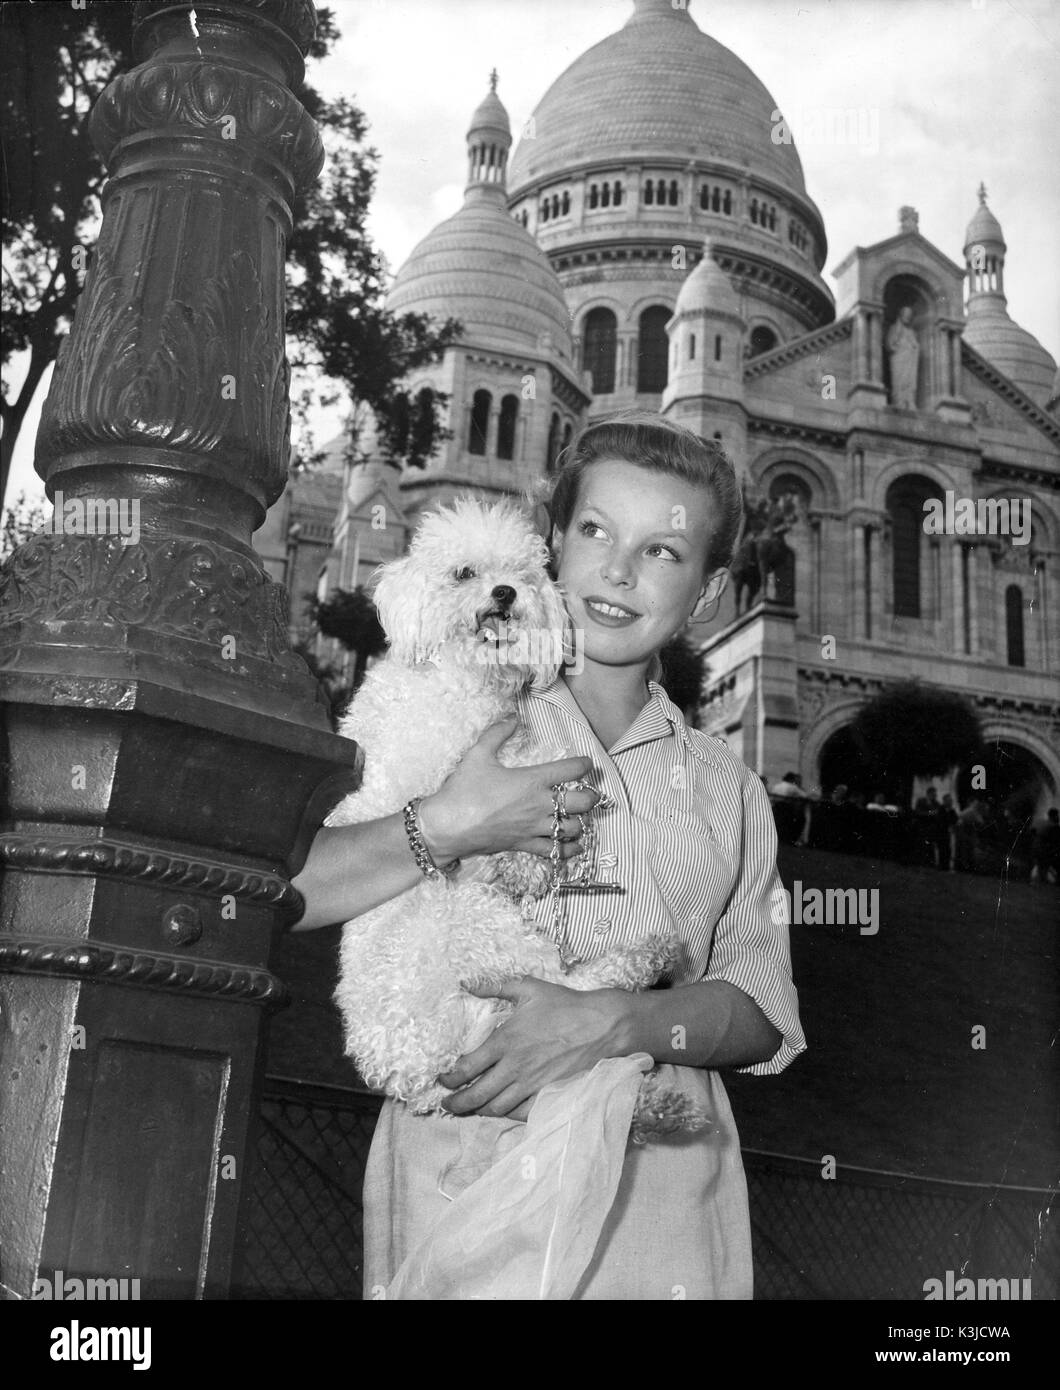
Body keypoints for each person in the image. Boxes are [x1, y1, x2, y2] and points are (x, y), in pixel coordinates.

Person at [291, 411, 805, 1300]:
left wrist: (615, 1020)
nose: (617, 571)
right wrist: (445, 825)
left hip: (658, 1189)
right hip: (464, 1158)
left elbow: (762, 1013)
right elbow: (290, 889)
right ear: (553, 542)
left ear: (712, 590)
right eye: (597, 532)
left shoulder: (732, 791)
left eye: (664, 552)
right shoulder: (443, 702)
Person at [1030, 808, 1060, 886]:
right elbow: (1055, 841)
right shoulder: (1053, 826)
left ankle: (1037, 881)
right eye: (1057, 815)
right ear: (1055, 816)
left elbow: (1033, 831)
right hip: (1042, 849)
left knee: (1040, 865)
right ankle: (1038, 881)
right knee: (1043, 866)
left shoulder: (1041, 822)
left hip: (1035, 847)